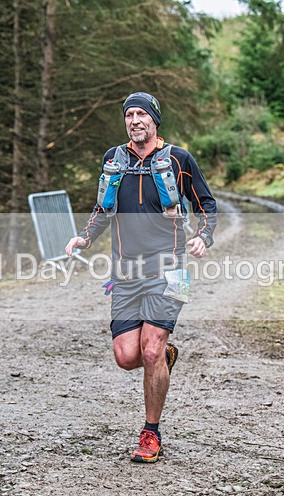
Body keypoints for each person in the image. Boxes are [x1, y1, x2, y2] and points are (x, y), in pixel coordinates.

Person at [65, 92, 217, 463]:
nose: (135, 120)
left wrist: (203, 236)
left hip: (172, 270)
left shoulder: (179, 159)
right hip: (126, 272)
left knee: (149, 350)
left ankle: (151, 433)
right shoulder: (113, 159)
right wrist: (85, 236)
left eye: (141, 114)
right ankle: (164, 357)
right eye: (129, 115)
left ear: (154, 120)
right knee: (126, 355)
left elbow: (206, 205)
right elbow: (104, 207)